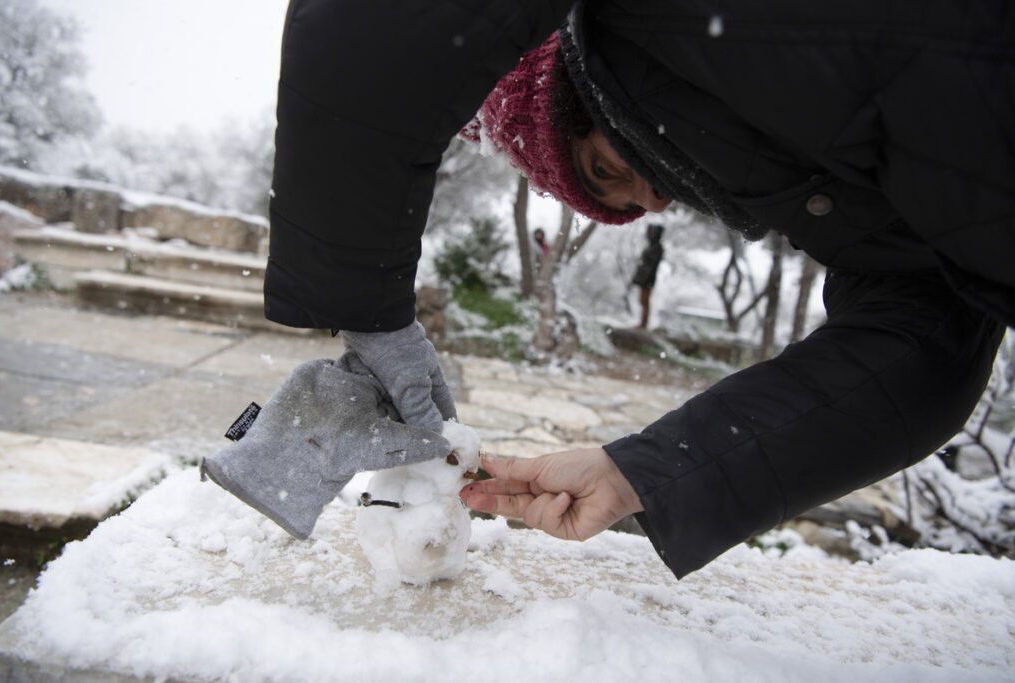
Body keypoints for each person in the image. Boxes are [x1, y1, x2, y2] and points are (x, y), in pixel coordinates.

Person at [258, 0, 1012, 578]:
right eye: (620, 200)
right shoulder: (836, 199)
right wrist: (643, 468)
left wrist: (366, 309)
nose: (652, 203)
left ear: (584, 95)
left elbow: (377, 28)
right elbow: (922, 345)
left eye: (603, 170)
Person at [631, 223, 664, 329]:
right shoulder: (651, 246)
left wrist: (644, 278)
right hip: (644, 279)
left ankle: (643, 323)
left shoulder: (657, 248)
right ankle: (642, 322)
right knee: (642, 300)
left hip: (648, 279)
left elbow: (651, 266)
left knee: (644, 301)